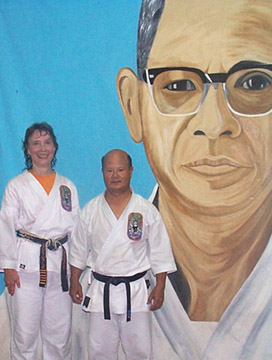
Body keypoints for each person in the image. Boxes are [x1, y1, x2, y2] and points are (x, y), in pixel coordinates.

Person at [116, 0, 272, 358]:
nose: (215, 124)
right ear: (133, 104)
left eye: (254, 81)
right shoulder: (74, 301)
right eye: (180, 84)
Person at [69, 149, 176, 360]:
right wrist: (74, 280)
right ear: (102, 172)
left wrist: (160, 286)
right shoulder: (90, 211)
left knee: (140, 351)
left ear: (131, 171)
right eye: (109, 170)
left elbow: (159, 251)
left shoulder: (145, 210)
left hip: (136, 292)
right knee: (99, 351)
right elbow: (78, 249)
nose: (115, 175)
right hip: (101, 292)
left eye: (120, 170)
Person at [0, 122, 79, 359]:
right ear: (27, 149)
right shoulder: (17, 186)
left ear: (55, 147)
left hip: (60, 268)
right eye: (36, 143)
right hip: (26, 268)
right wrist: (9, 267)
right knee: (24, 336)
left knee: (59, 336)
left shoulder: (67, 187)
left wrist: (75, 272)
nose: (42, 149)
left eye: (47, 143)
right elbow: (5, 225)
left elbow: (76, 230)